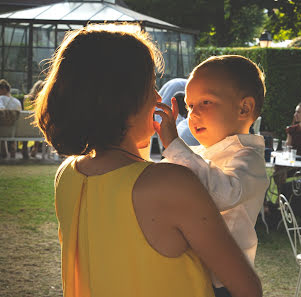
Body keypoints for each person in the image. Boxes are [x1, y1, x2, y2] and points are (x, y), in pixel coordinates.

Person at [33, 24, 262, 297]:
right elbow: (247, 289)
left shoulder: (67, 175)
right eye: (151, 86)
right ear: (124, 98)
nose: (158, 97)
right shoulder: (171, 184)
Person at [156, 54, 269, 297]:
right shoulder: (204, 153)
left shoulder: (249, 159)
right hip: (196, 270)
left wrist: (174, 145)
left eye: (205, 102)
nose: (193, 113)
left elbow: (224, 194)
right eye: (190, 105)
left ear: (244, 108)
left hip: (224, 279)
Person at [22, 80, 44, 159]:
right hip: (36, 127)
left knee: (27, 124)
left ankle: (25, 147)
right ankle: (35, 147)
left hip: (25, 126)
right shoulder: (42, 101)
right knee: (39, 125)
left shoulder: (26, 99)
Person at [0, 79, 22, 159]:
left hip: (3, 129)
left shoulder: (0, 99)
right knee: (11, 129)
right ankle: (13, 152)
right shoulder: (17, 101)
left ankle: (3, 152)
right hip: (16, 131)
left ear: (3, 89)